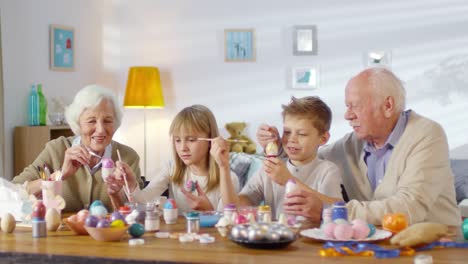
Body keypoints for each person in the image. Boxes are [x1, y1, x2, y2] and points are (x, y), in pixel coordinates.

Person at [257, 68, 461, 226]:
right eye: (347, 106)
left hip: (436, 248)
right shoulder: (353, 143)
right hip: (375, 248)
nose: (347, 115)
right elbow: (310, 156)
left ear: (388, 106)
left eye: (354, 105)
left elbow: (409, 207)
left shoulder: (427, 134)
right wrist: (277, 146)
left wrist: (331, 210)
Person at [12, 85, 144, 212]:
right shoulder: (56, 149)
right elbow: (14, 191)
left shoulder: (127, 157)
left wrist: (118, 193)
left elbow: (137, 213)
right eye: (91, 121)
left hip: (107, 234)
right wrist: (59, 176)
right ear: (78, 124)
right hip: (60, 234)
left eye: (108, 121)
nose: (100, 130)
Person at [231, 96, 342, 221]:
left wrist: (288, 180)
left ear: (323, 138)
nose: (291, 139)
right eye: (287, 132)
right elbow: (242, 202)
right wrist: (224, 167)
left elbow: (338, 209)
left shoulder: (328, 170)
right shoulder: (270, 168)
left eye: (302, 134)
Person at [113, 104, 239, 213]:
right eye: (177, 140)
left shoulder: (229, 178)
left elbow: (229, 220)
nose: (183, 148)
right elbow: (143, 200)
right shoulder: (171, 168)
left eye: (191, 140)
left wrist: (209, 211)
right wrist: (131, 184)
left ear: (210, 139)